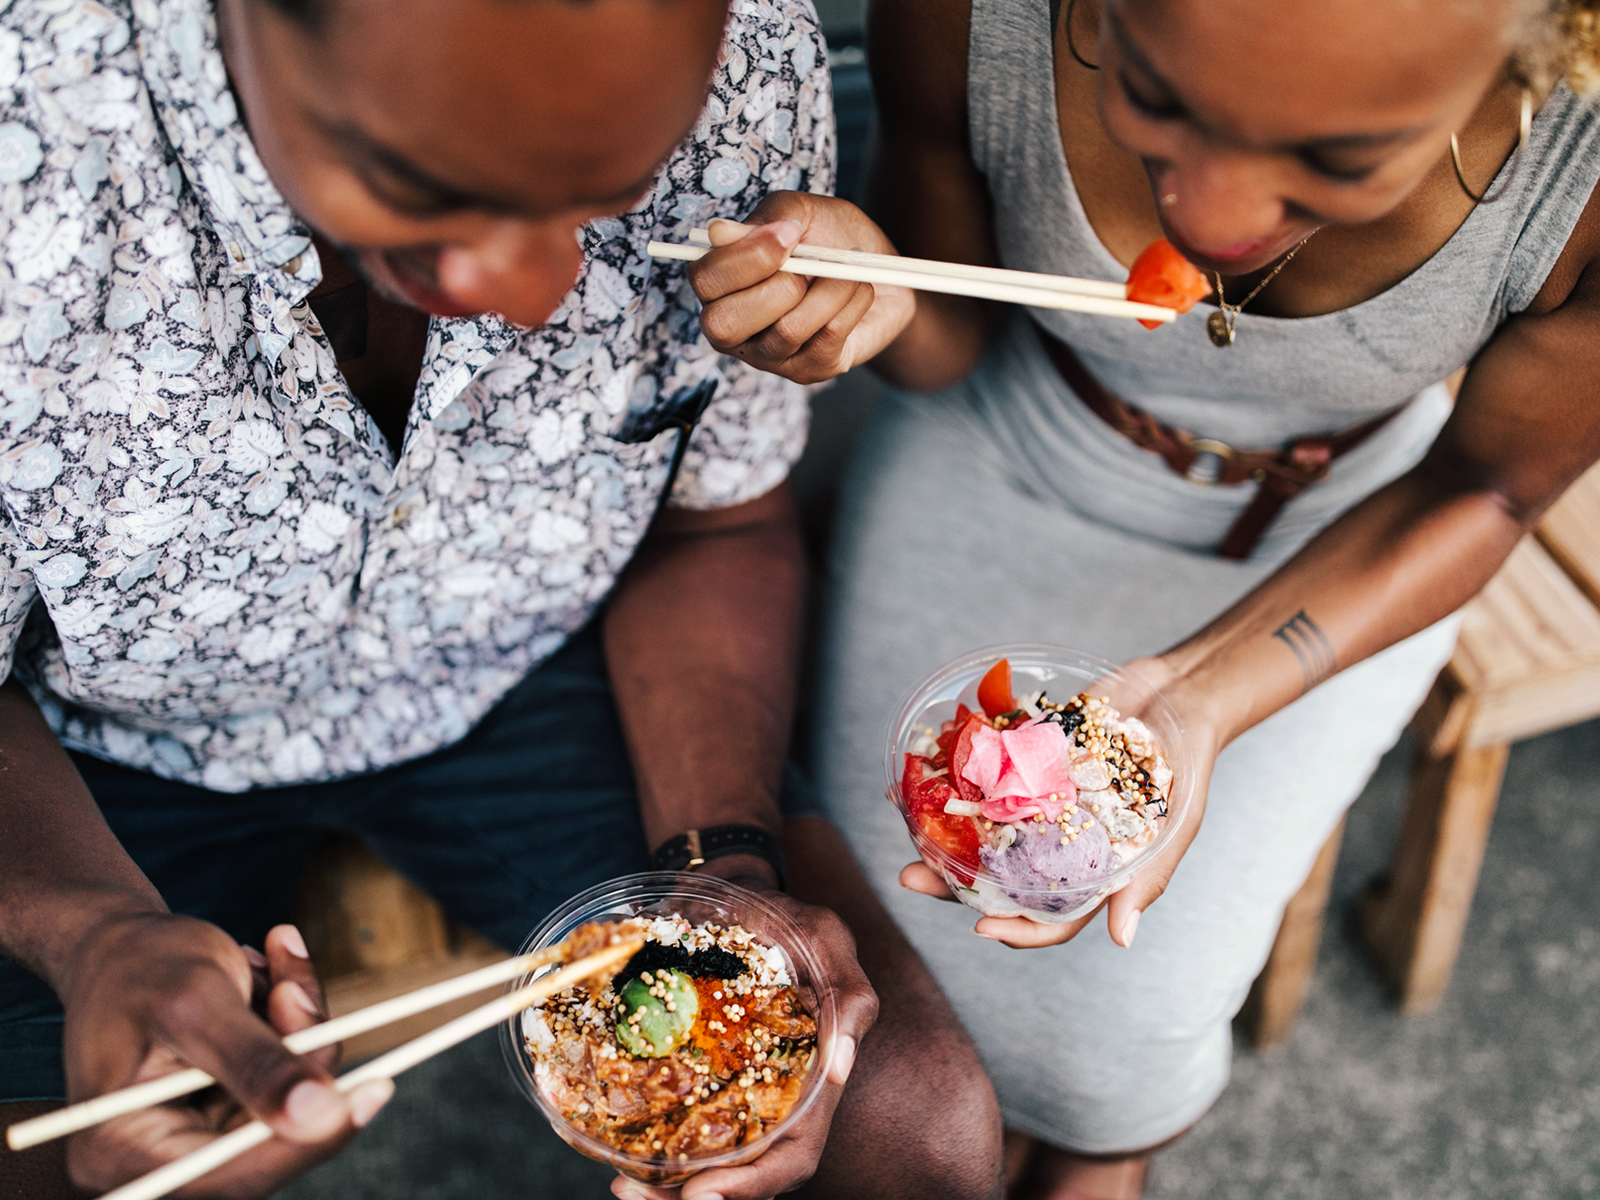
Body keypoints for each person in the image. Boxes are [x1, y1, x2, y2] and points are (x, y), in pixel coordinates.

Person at [0, 0, 1005, 1197]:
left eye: (604, 195)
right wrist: (89, 930)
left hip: (534, 662)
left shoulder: (743, 53)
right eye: (419, 186)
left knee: (904, 1118)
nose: (532, 296)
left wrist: (724, 871)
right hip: (90, 744)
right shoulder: (35, 141)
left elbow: (713, 521)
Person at [685, 0, 1600, 1194]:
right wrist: (877, 301)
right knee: (904, 979)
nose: (1203, 218)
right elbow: (956, 344)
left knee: (1115, 1046)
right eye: (1155, 98)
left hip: (1355, 530)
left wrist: (1201, 700)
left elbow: (1484, 490)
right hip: (1012, 430)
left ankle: (1097, 1154)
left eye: (1337, 158)